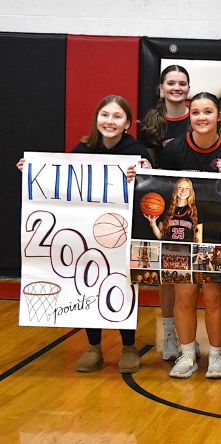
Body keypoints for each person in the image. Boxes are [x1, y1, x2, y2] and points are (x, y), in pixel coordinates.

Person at [18, 95, 150, 373]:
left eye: (117, 116)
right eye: (105, 115)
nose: (110, 121)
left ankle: (128, 346)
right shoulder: (82, 149)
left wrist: (146, 172)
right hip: (86, 233)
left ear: (127, 123)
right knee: (88, 283)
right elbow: (61, 184)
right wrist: (32, 170)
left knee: (123, 284)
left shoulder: (138, 152)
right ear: (97, 119)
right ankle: (94, 347)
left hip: (122, 233)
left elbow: (151, 190)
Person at [159, 92, 221, 379]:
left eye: (208, 112)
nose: (202, 117)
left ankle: (216, 356)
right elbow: (160, 189)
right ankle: (187, 355)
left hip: (216, 235)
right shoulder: (174, 149)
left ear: (219, 116)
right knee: (184, 295)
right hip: (180, 236)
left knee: (213, 296)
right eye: (196, 112)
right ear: (189, 116)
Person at [138, 64, 191, 360]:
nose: (176, 88)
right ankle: (169, 332)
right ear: (161, 88)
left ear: (188, 88)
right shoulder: (151, 122)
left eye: (182, 83)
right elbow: (146, 164)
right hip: (163, 203)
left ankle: (189, 335)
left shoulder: (198, 116)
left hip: (195, 201)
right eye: (171, 83)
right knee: (168, 274)